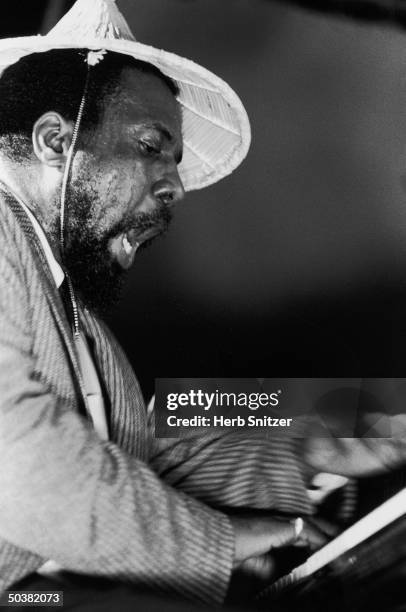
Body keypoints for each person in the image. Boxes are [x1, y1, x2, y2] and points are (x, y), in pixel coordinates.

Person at [0, 0, 331, 608]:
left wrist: (353, 416)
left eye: (173, 161)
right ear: (55, 140)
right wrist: (232, 538)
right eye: (153, 146)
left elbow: (152, 440)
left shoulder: (72, 311)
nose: (175, 186)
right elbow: (19, 464)